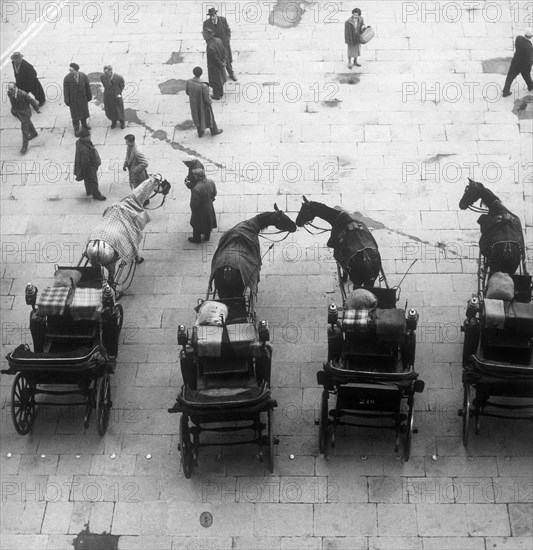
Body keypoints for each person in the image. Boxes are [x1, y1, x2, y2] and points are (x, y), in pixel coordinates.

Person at [85, 175, 165, 288]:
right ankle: (112, 282)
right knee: (133, 234)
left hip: (98, 234)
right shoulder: (133, 206)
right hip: (110, 240)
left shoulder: (116, 205)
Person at [186, 67, 223, 137]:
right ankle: (214, 130)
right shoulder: (204, 85)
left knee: (196, 117)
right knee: (210, 116)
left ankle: (200, 131)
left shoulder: (188, 82)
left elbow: (188, 92)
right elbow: (207, 99)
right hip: (203, 105)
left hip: (194, 104)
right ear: (201, 73)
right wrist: (210, 101)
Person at [203, 7, 237, 81]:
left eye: (213, 15)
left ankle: (231, 73)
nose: (212, 17)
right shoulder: (206, 23)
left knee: (227, 60)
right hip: (214, 46)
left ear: (216, 14)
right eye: (210, 16)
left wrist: (227, 40)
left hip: (224, 45)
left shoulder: (223, 20)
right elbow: (205, 35)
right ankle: (219, 77)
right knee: (216, 61)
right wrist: (210, 44)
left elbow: (228, 31)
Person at [7, 82, 40, 154]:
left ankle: (24, 147)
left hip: (25, 113)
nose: (10, 91)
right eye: (9, 89)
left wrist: (37, 109)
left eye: (11, 89)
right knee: (27, 122)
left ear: (16, 88)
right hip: (17, 112)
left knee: (24, 130)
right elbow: (12, 102)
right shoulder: (9, 93)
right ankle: (33, 133)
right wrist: (13, 110)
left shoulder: (23, 94)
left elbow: (32, 101)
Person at [74, 128, 106, 201]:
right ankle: (96, 195)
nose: (90, 136)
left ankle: (89, 191)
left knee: (87, 180)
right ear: (85, 137)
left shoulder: (79, 142)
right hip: (89, 168)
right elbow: (86, 162)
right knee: (93, 181)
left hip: (86, 167)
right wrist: (93, 168)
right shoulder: (84, 150)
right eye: (89, 135)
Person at [188, 168, 217, 243]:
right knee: (209, 221)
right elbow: (214, 193)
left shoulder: (196, 188)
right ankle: (207, 237)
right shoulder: (211, 182)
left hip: (200, 209)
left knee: (196, 223)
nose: (194, 176)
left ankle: (196, 239)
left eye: (194, 175)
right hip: (209, 206)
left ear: (198, 176)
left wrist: (193, 210)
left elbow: (194, 203)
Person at [63, 62, 92, 136]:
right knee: (75, 116)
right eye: (70, 70)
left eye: (71, 70)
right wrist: (67, 100)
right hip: (73, 101)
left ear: (76, 70)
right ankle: (76, 128)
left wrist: (89, 96)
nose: (70, 72)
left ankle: (84, 125)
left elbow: (87, 86)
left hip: (83, 99)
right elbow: (66, 91)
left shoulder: (83, 76)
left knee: (84, 113)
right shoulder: (67, 78)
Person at [502, 28, 533, 97]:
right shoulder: (529, 46)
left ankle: (506, 91)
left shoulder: (518, 38)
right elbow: (530, 58)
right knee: (527, 76)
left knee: (510, 76)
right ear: (531, 36)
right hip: (524, 65)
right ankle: (530, 86)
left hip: (515, 62)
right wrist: (529, 66)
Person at [203, 28, 227, 100]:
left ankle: (216, 95)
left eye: (204, 35)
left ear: (208, 36)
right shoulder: (219, 40)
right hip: (221, 66)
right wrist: (224, 62)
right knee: (220, 79)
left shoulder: (210, 47)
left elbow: (215, 59)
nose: (203, 36)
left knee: (215, 81)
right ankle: (221, 92)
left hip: (214, 67)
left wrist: (221, 64)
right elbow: (224, 51)